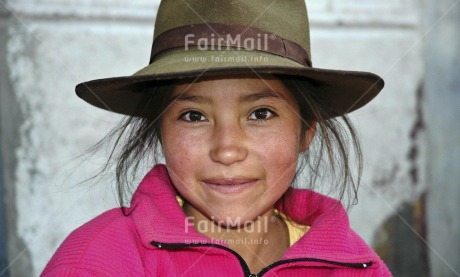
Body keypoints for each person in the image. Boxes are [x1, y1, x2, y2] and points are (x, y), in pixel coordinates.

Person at [42, 0, 392, 276]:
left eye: (261, 114)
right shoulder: (95, 263)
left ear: (306, 130)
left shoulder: (357, 268)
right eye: (193, 116)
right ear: (160, 130)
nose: (227, 150)